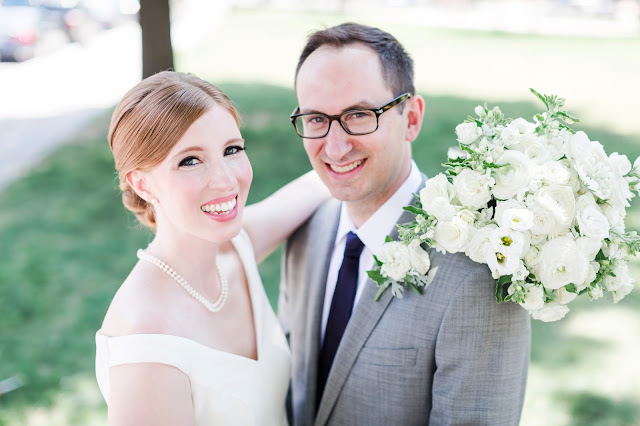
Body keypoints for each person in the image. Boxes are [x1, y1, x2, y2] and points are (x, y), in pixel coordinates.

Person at [279, 23, 531, 425]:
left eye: (359, 115)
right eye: (315, 119)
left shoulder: (480, 271)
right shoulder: (304, 233)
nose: (336, 146)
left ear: (411, 118)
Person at [95, 71, 330, 425]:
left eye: (231, 150)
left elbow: (322, 182)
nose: (226, 180)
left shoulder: (237, 247)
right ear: (141, 182)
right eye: (190, 160)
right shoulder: (146, 339)